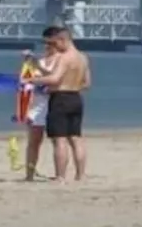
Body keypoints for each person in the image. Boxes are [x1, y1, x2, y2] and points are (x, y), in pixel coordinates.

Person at [32, 26, 91, 182]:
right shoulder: (83, 57)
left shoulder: (65, 57)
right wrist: (39, 68)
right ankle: (81, 174)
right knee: (76, 138)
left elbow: (54, 79)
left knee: (60, 139)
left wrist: (32, 80)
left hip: (61, 98)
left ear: (62, 40)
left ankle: (61, 175)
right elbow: (87, 83)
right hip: (76, 97)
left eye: (54, 43)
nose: (54, 47)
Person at [20, 30, 59, 182]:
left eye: (51, 44)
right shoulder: (40, 61)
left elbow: (54, 77)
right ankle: (29, 173)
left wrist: (38, 70)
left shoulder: (60, 61)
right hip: (37, 105)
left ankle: (59, 173)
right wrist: (27, 63)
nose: (47, 47)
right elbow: (26, 81)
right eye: (46, 44)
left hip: (54, 103)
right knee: (34, 141)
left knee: (57, 140)